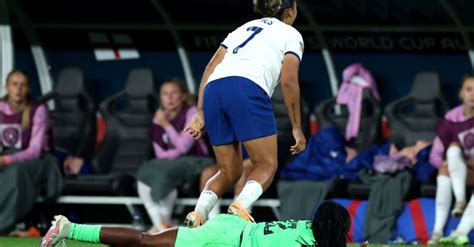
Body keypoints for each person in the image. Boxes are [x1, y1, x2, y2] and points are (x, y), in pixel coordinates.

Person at [183, 0, 306, 227]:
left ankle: (198, 214)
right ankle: (240, 207)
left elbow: (210, 67)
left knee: (229, 170)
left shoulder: (242, 29)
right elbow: (289, 82)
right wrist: (297, 127)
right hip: (247, 88)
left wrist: (200, 111)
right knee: (266, 165)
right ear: (290, 11)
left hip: (213, 90)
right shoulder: (291, 34)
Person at [41, 200, 369, 247]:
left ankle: (69, 229)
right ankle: (68, 229)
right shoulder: (307, 244)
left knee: (146, 240)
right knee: (145, 242)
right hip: (224, 239)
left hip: (232, 227)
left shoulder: (305, 229)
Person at [136, 79, 214, 233]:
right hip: (170, 162)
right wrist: (170, 155)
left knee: (165, 171)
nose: (169, 98)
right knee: (144, 172)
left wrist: (166, 124)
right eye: (165, 94)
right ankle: (160, 223)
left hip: (197, 160)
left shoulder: (192, 113)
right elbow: (159, 152)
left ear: (183, 96)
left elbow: (184, 147)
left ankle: (163, 225)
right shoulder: (158, 116)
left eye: (174, 93)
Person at [0, 69, 62, 233]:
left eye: (23, 85)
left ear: (28, 89)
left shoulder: (38, 110)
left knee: (14, 173)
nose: (18, 89)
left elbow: (35, 150)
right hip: (7, 156)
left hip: (39, 161)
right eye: (14, 84)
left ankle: (3, 224)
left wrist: (6, 160)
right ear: (7, 87)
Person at [428, 73, 474, 244]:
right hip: (458, 173)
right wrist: (446, 163)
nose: (473, 94)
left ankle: (459, 233)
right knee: (452, 151)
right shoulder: (450, 119)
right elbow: (434, 155)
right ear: (461, 93)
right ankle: (437, 232)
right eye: (469, 90)